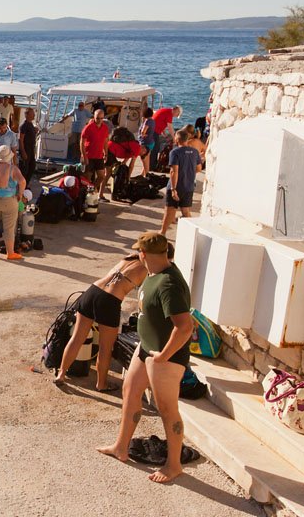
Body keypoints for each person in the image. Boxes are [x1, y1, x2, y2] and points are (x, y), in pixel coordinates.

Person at [97, 231, 193, 484]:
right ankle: (121, 447)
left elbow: (185, 327)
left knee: (167, 408)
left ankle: (174, 465)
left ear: (144, 254)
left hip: (164, 357)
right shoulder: (153, 274)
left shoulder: (168, 283)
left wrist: (164, 355)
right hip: (146, 348)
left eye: (139, 252)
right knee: (129, 392)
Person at [54, 253, 148, 391]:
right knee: (105, 348)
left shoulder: (129, 257)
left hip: (93, 291)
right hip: (110, 300)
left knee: (77, 337)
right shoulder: (148, 267)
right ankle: (101, 384)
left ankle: (61, 374)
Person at [160, 128, 203, 235]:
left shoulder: (175, 152)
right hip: (189, 186)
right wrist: (188, 173)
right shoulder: (194, 152)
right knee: (186, 211)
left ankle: (162, 232)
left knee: (169, 210)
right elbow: (199, 168)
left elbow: (174, 171)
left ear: (177, 139)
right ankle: (192, 234)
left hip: (177, 186)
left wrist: (173, 189)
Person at [80, 109, 111, 200]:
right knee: (87, 178)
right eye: (97, 118)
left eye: (101, 118)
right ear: (94, 117)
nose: (99, 120)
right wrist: (84, 156)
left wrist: (106, 153)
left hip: (99, 156)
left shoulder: (105, 128)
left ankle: (91, 190)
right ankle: (85, 196)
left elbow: (106, 141)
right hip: (89, 156)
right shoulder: (88, 127)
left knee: (101, 176)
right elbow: (82, 143)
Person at [18, 108, 39, 182]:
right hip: (26, 150)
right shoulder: (24, 125)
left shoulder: (30, 124)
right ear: (27, 115)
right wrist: (23, 152)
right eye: (32, 114)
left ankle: (26, 184)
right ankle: (22, 185)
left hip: (31, 150)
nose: (34, 115)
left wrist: (35, 130)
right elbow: (21, 139)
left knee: (32, 167)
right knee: (24, 169)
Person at [138, 107, 157, 174]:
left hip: (145, 143)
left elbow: (143, 132)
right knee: (147, 161)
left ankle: (146, 175)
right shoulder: (152, 121)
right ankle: (144, 174)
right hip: (150, 142)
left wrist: (143, 135)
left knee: (144, 161)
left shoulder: (147, 121)